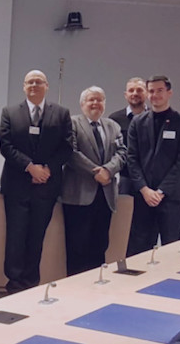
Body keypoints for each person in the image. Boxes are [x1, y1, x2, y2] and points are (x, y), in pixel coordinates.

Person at [0, 70, 73, 294]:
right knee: (15, 236)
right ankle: (13, 282)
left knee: (36, 235)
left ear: (47, 86)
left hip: (46, 186)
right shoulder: (10, 112)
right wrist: (30, 167)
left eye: (38, 82)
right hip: (17, 184)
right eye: (30, 82)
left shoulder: (61, 113)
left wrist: (47, 169)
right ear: (23, 86)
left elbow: (67, 146)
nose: (34, 85)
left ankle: (31, 283)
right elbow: (5, 145)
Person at [60, 86, 126, 276]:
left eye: (100, 100)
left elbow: (122, 152)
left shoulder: (112, 126)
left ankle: (96, 283)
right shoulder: (72, 123)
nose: (95, 103)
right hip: (78, 195)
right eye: (91, 100)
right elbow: (70, 152)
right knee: (77, 247)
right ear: (82, 104)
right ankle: (75, 287)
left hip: (105, 195)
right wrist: (95, 172)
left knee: (100, 245)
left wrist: (108, 170)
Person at [125, 75, 180, 257]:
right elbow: (132, 158)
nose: (155, 95)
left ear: (169, 93)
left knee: (170, 249)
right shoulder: (138, 122)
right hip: (144, 196)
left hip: (171, 197)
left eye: (160, 90)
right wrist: (145, 190)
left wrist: (161, 191)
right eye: (151, 91)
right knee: (138, 249)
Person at [109, 77, 147, 195]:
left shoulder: (156, 118)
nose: (135, 93)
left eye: (139, 90)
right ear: (125, 95)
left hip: (150, 178)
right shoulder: (115, 119)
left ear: (146, 93)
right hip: (126, 177)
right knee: (123, 212)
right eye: (131, 90)